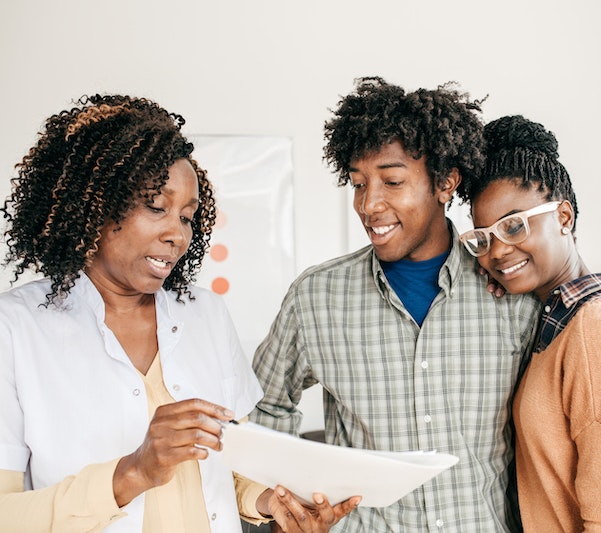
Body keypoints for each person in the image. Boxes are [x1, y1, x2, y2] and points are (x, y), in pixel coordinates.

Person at [0, 94, 358, 532]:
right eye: (156, 207)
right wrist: (133, 472)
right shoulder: (15, 329)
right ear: (93, 206)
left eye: (188, 217)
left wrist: (272, 503)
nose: (177, 234)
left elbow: (233, 469)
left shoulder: (205, 315)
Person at [249, 77, 540, 532]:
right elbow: (264, 409)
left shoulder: (507, 294)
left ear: (445, 182)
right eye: (358, 183)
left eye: (392, 181)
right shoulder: (316, 298)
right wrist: (284, 499)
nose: (369, 204)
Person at [456, 114, 601, 531]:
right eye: (484, 238)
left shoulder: (600, 330)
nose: (496, 252)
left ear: (564, 217)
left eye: (514, 226)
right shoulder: (562, 322)